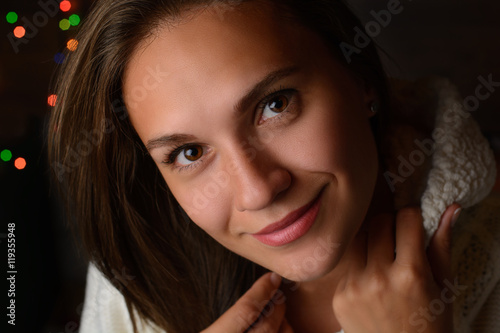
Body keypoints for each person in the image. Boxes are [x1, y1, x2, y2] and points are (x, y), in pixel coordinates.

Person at [48, 0, 499, 332]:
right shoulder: (135, 274)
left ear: (360, 79)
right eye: (189, 153)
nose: (257, 191)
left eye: (275, 105)